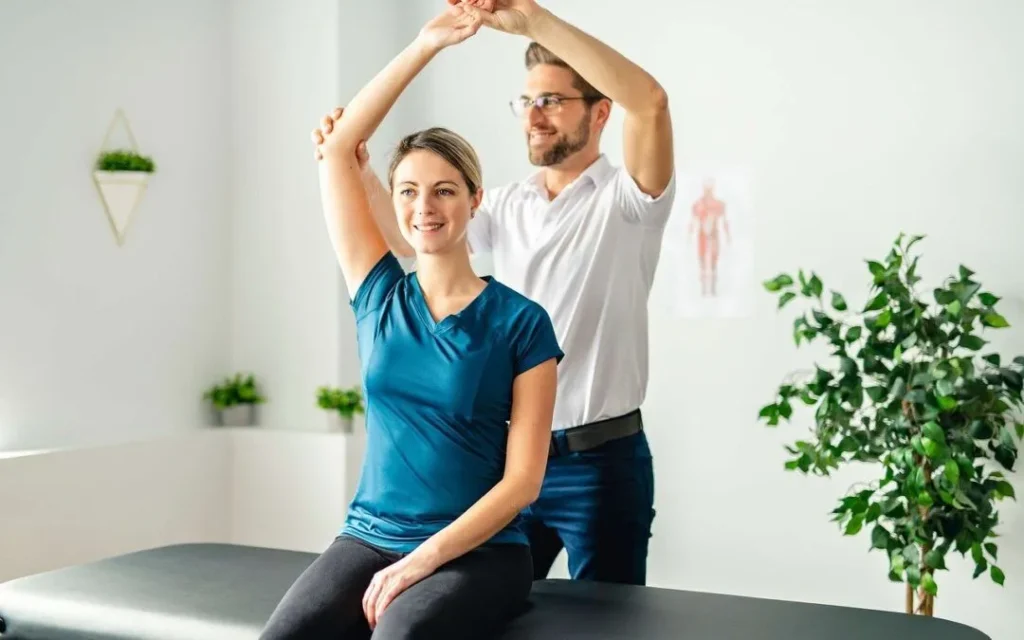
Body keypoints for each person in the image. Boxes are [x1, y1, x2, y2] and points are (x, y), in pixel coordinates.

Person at [343, 0, 676, 586]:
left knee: (605, 629)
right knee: (494, 616)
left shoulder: (629, 202)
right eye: (527, 101)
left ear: (601, 113)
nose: (535, 116)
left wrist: (532, 19)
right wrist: (363, 171)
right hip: (505, 465)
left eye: (552, 100)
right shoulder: (503, 204)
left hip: (597, 463)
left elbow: (649, 102)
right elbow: (412, 235)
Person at [259, 5, 563, 639]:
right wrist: (426, 43)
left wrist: (418, 563)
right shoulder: (377, 295)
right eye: (408, 191)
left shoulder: (521, 323)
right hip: (368, 535)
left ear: (475, 199)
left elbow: (523, 482)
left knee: (398, 635)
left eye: (445, 189)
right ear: (392, 200)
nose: (425, 207)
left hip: (481, 554)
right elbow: (339, 148)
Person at [689, 177, 730, 296]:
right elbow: (693, 222)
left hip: (714, 235)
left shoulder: (719, 204)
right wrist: (689, 236)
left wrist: (728, 236)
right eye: (706, 188)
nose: (708, 190)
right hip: (702, 235)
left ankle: (712, 289)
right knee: (702, 261)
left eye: (710, 188)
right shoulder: (698, 204)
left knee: (713, 262)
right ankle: (703, 289)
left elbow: (724, 221)